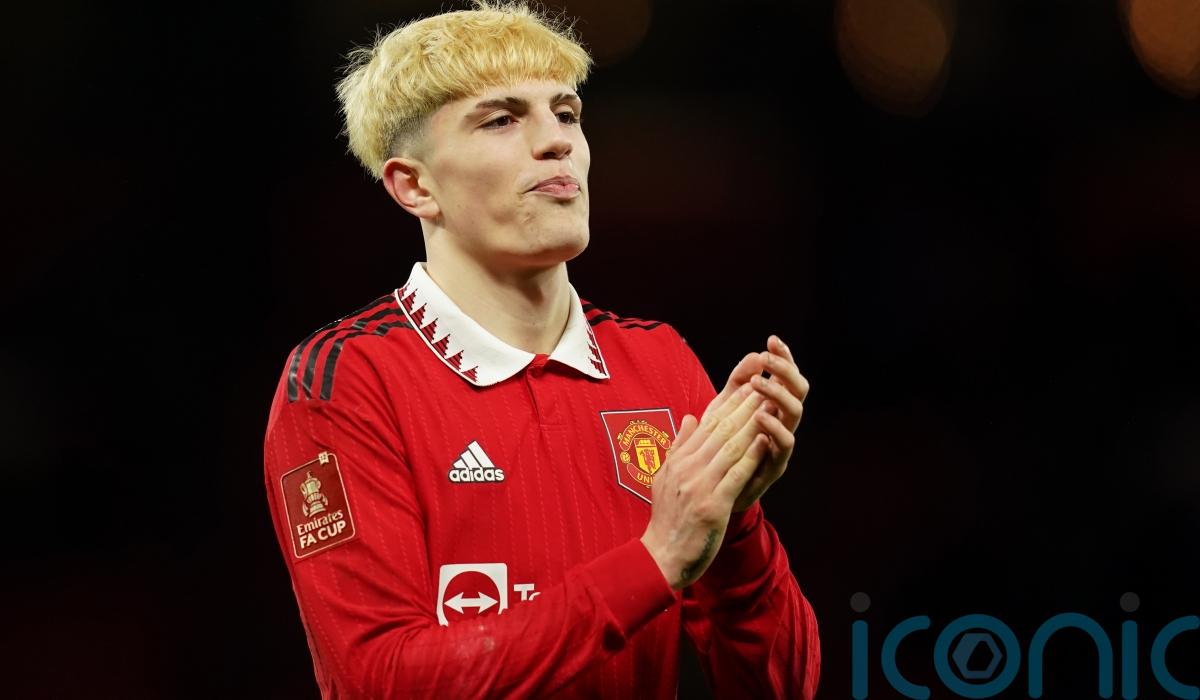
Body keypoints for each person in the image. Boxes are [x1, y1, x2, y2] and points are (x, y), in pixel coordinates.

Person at [262, 2, 820, 697]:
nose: (556, 141)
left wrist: (735, 526)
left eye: (566, 113)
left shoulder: (660, 363)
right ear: (415, 186)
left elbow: (784, 686)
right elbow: (382, 680)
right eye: (501, 120)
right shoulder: (343, 381)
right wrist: (655, 562)